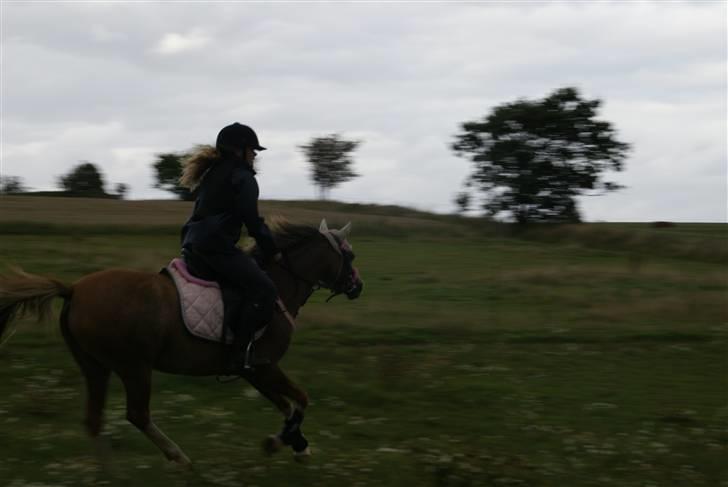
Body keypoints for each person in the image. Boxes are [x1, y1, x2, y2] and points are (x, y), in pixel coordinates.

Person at [178, 122, 281, 372]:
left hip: (193, 246)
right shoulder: (243, 178)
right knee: (265, 290)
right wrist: (272, 250)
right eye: (252, 149)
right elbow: (253, 222)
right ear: (239, 150)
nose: (255, 155)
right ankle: (239, 357)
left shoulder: (212, 172)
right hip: (217, 248)